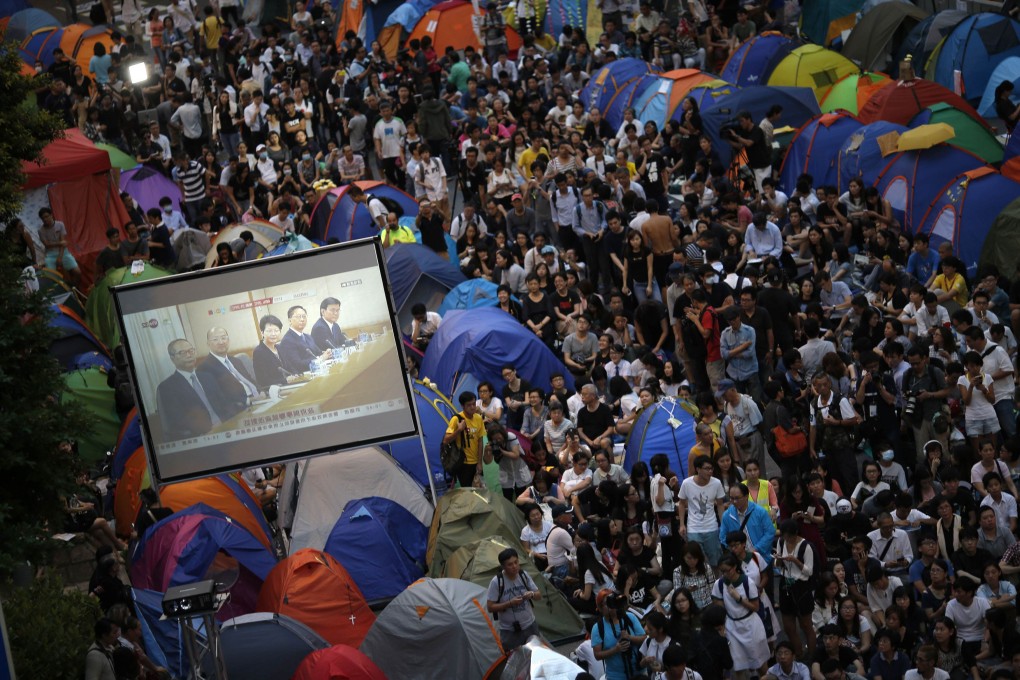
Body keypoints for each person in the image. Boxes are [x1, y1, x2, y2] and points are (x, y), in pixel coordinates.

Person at [712, 553, 770, 680]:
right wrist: (721, 627)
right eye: (722, 571)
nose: (724, 574)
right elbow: (719, 606)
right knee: (738, 666)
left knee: (760, 664)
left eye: (727, 570)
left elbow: (755, 607)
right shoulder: (719, 584)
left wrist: (738, 598)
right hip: (732, 627)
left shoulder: (747, 582)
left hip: (751, 624)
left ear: (734, 567)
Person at [156, 338, 220, 439]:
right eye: (182, 353)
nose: (189, 355)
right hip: (202, 436)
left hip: (225, 426)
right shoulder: (167, 388)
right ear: (172, 358)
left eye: (191, 351)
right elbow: (178, 422)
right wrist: (206, 431)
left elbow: (224, 404)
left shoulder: (207, 377)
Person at [196, 327, 260, 422]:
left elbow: (250, 380)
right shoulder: (205, 367)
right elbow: (218, 399)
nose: (221, 342)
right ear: (208, 343)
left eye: (223, 338)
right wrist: (247, 401)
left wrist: (262, 391)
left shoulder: (236, 361)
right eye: (215, 339)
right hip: (240, 411)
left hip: (258, 401)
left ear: (228, 340)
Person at [486, 547, 542, 650]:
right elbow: (490, 607)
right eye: (510, 564)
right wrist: (510, 603)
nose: (514, 566)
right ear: (503, 566)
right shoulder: (497, 582)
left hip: (530, 625)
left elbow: (539, 595)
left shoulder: (523, 575)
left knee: (535, 655)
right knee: (515, 660)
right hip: (509, 630)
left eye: (516, 562)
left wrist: (532, 594)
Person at [679, 454, 727, 566]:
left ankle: (715, 582)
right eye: (706, 469)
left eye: (711, 468)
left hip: (712, 527)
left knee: (715, 560)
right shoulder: (687, 483)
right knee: (697, 560)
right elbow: (681, 503)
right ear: (698, 469)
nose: (710, 471)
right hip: (693, 528)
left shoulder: (716, 483)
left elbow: (720, 504)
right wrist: (682, 524)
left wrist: (723, 523)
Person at [591, 590, 647, 680]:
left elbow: (644, 638)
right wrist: (616, 649)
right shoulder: (597, 628)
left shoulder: (629, 617)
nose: (611, 605)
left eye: (612, 601)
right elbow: (597, 655)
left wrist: (629, 637)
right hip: (615, 676)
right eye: (607, 603)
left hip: (639, 671)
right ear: (600, 608)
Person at [720, 483, 775, 564]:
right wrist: (735, 549)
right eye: (731, 498)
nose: (734, 501)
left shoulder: (760, 512)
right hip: (738, 560)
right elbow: (723, 537)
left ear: (746, 496)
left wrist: (756, 549)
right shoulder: (727, 515)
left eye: (737, 498)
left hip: (761, 557)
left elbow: (770, 533)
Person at [444, 390, 486, 489]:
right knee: (468, 492)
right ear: (463, 406)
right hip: (463, 463)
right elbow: (446, 440)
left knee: (480, 489)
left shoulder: (478, 418)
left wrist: (480, 463)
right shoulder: (456, 419)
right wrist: (459, 430)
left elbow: (480, 441)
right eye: (469, 405)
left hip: (476, 462)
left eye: (474, 404)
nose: (472, 407)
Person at [278, 305, 331, 375]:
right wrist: (320, 359)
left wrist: (326, 353)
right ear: (289, 320)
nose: (302, 319)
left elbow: (318, 352)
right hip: (304, 376)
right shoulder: (287, 340)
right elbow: (298, 365)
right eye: (298, 317)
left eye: (304, 316)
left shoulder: (308, 336)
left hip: (318, 371)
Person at [38, 207, 81, 286]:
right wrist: (60, 243)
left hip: (63, 252)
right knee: (50, 276)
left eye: (46, 216)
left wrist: (60, 257)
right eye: (43, 218)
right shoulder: (41, 230)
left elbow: (63, 244)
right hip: (50, 255)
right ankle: (62, 290)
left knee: (77, 272)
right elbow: (47, 245)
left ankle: (72, 287)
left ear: (51, 215)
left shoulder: (60, 224)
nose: (45, 219)